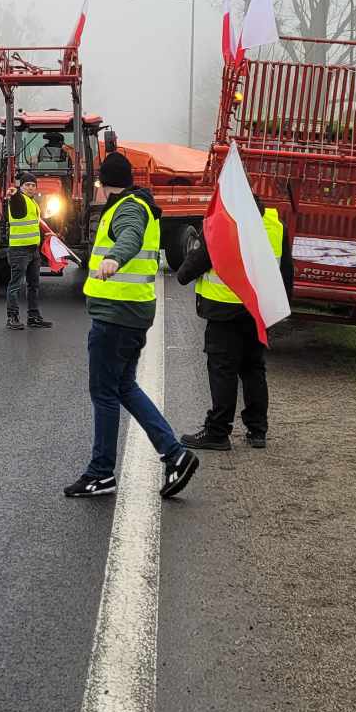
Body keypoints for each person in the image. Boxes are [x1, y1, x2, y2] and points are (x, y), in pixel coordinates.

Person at [65, 151, 200, 500]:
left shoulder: (128, 208)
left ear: (103, 184)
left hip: (115, 316)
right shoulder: (140, 203)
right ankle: (175, 454)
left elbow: (130, 236)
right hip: (132, 314)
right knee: (124, 387)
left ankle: (101, 473)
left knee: (104, 393)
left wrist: (113, 259)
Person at [174, 203, 286, 450]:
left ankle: (218, 432)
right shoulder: (274, 225)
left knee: (223, 371)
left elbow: (193, 266)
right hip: (257, 310)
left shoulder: (222, 224)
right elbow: (285, 271)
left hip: (223, 310)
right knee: (253, 368)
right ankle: (258, 431)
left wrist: (184, 270)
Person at [5, 172, 50, 331]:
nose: (30, 187)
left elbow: (35, 224)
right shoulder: (19, 200)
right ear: (21, 187)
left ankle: (33, 317)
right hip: (19, 250)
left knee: (34, 285)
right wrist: (14, 193)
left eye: (33, 185)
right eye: (27, 185)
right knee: (15, 285)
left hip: (33, 250)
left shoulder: (34, 203)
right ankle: (12, 317)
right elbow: (16, 203)